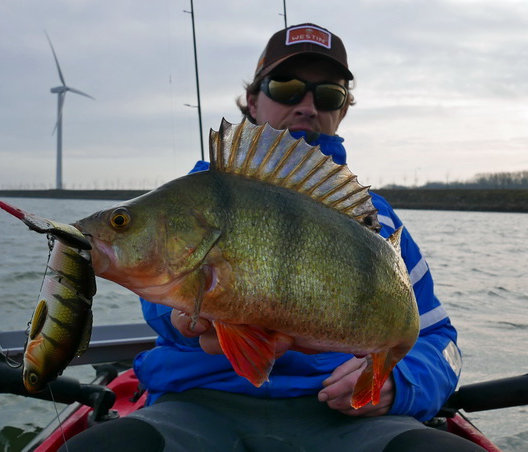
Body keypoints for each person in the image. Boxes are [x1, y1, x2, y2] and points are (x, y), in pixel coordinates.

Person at [63, 23, 483, 451]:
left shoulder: (378, 224)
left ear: (343, 109)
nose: (306, 106)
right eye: (286, 87)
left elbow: (439, 341)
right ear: (252, 99)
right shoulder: (189, 202)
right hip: (194, 406)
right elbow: (164, 315)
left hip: (349, 421)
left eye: (328, 95)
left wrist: (401, 380)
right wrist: (185, 323)